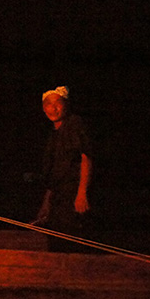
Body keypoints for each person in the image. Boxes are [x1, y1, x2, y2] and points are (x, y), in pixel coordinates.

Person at [33, 86, 93, 251]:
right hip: (58, 196)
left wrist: (82, 193)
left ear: (66, 104)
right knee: (55, 236)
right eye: (48, 104)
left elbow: (85, 157)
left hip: (72, 192)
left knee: (71, 237)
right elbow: (53, 174)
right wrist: (46, 204)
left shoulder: (74, 123)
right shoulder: (53, 134)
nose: (53, 108)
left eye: (57, 103)